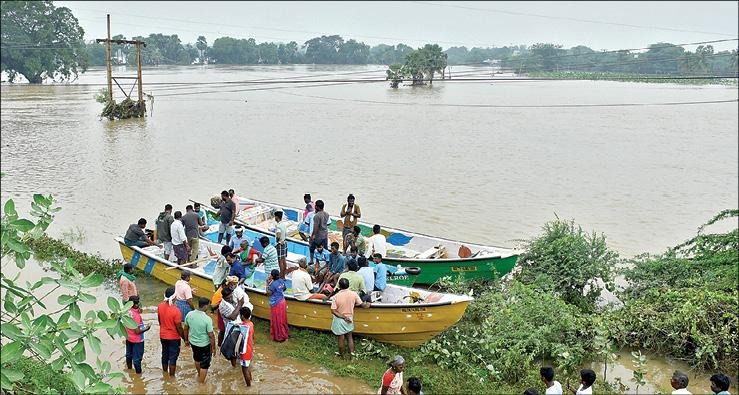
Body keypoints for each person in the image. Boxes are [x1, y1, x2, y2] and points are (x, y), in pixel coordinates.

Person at [331, 278, 369, 360]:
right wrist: (368, 304)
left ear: (339, 286)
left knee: (341, 338)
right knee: (349, 337)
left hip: (340, 319)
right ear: (348, 285)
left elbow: (333, 311)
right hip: (349, 318)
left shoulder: (336, 296)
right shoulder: (354, 294)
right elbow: (362, 304)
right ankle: (352, 356)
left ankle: (342, 356)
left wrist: (343, 317)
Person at [183, 297, 216, 384]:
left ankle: (199, 374)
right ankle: (201, 384)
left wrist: (186, 340)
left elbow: (185, 328)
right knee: (204, 365)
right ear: (205, 306)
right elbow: (211, 335)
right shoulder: (207, 319)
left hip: (193, 343)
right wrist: (213, 348)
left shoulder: (189, 314)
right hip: (204, 345)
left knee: (197, 359)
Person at [157, 287, 184, 377]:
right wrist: (185, 338)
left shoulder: (160, 306)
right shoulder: (176, 311)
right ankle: (171, 377)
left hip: (163, 335)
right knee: (173, 357)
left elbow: (160, 321)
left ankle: (164, 373)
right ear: (175, 298)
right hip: (173, 338)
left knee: (164, 354)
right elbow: (179, 328)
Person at [226, 306, 255, 386]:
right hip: (250, 348)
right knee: (247, 366)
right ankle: (250, 380)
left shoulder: (243, 327)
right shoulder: (250, 324)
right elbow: (253, 336)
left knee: (244, 369)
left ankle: (248, 386)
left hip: (245, 351)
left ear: (242, 316)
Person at [125, 295, 151, 374]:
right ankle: (138, 376)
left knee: (129, 355)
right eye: (138, 303)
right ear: (135, 304)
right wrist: (147, 327)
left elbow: (139, 311)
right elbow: (137, 331)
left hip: (128, 337)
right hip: (137, 340)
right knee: (137, 359)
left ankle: (129, 370)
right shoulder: (136, 316)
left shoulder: (127, 311)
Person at [266, 269, 289, 342]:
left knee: (277, 321)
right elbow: (284, 288)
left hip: (276, 303)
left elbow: (268, 293)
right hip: (282, 301)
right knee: (282, 319)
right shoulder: (281, 281)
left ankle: (279, 337)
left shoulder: (273, 284)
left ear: (272, 276)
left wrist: (267, 284)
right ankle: (285, 334)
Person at [309, 199, 330, 264]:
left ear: (317, 207)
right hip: (325, 234)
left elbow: (316, 228)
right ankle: (327, 262)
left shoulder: (317, 216)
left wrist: (312, 236)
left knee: (312, 248)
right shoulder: (326, 214)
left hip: (318, 236)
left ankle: (312, 260)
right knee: (325, 249)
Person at [274, 211, 288, 277]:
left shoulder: (278, 226)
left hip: (279, 245)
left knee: (280, 262)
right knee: (284, 260)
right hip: (284, 243)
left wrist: (277, 240)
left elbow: (278, 235)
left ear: (277, 217)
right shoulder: (284, 225)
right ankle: (284, 275)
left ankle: (281, 276)